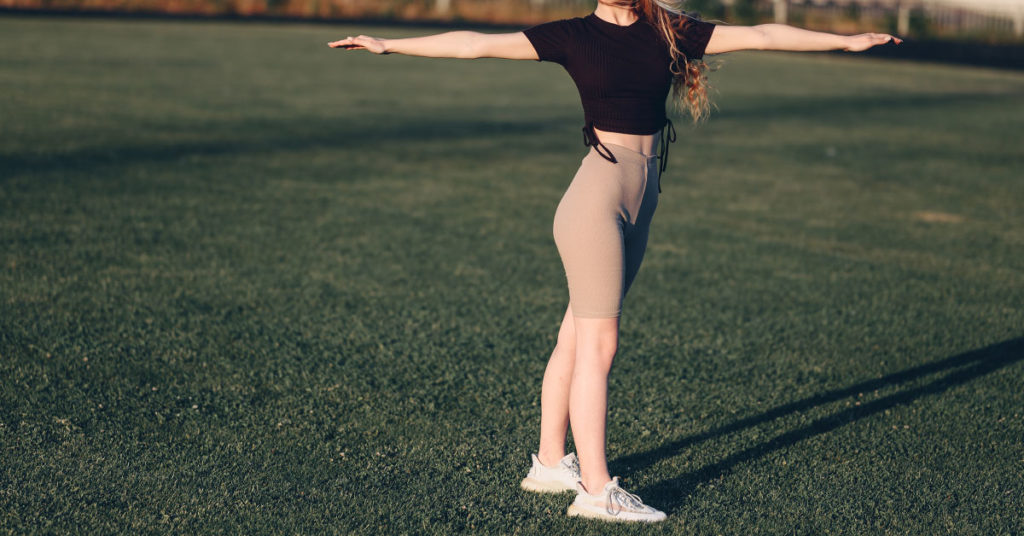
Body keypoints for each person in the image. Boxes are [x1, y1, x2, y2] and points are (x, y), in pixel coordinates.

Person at [330, 0, 899, 523]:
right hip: (595, 201)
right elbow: (475, 43)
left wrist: (844, 41)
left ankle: (551, 463)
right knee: (601, 345)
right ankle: (597, 491)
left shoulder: (668, 29)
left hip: (641, 197)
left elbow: (761, 33)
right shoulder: (575, 37)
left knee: (577, 338)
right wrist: (387, 44)